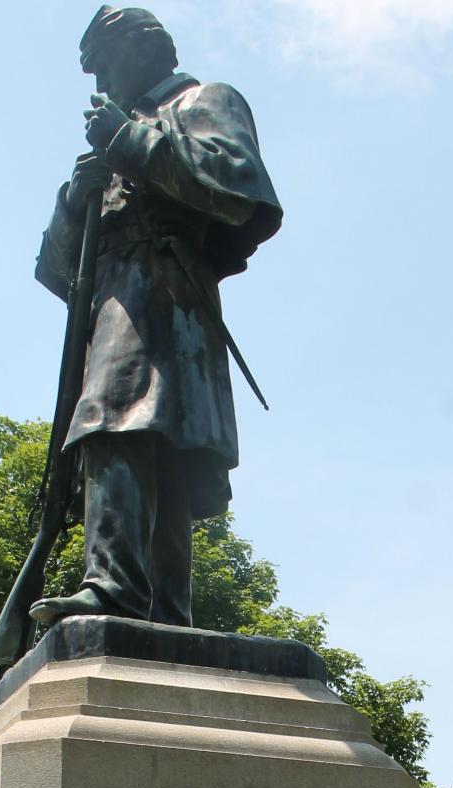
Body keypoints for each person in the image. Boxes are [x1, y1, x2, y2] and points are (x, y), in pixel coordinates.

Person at [29, 5, 282, 631]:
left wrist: (129, 142)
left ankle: (115, 590)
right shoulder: (117, 134)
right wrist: (75, 200)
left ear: (143, 49)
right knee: (145, 441)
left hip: (169, 295)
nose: (98, 86)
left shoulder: (204, 100)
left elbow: (238, 187)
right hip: (116, 298)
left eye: (102, 66)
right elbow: (55, 271)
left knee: (114, 422)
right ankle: (164, 614)